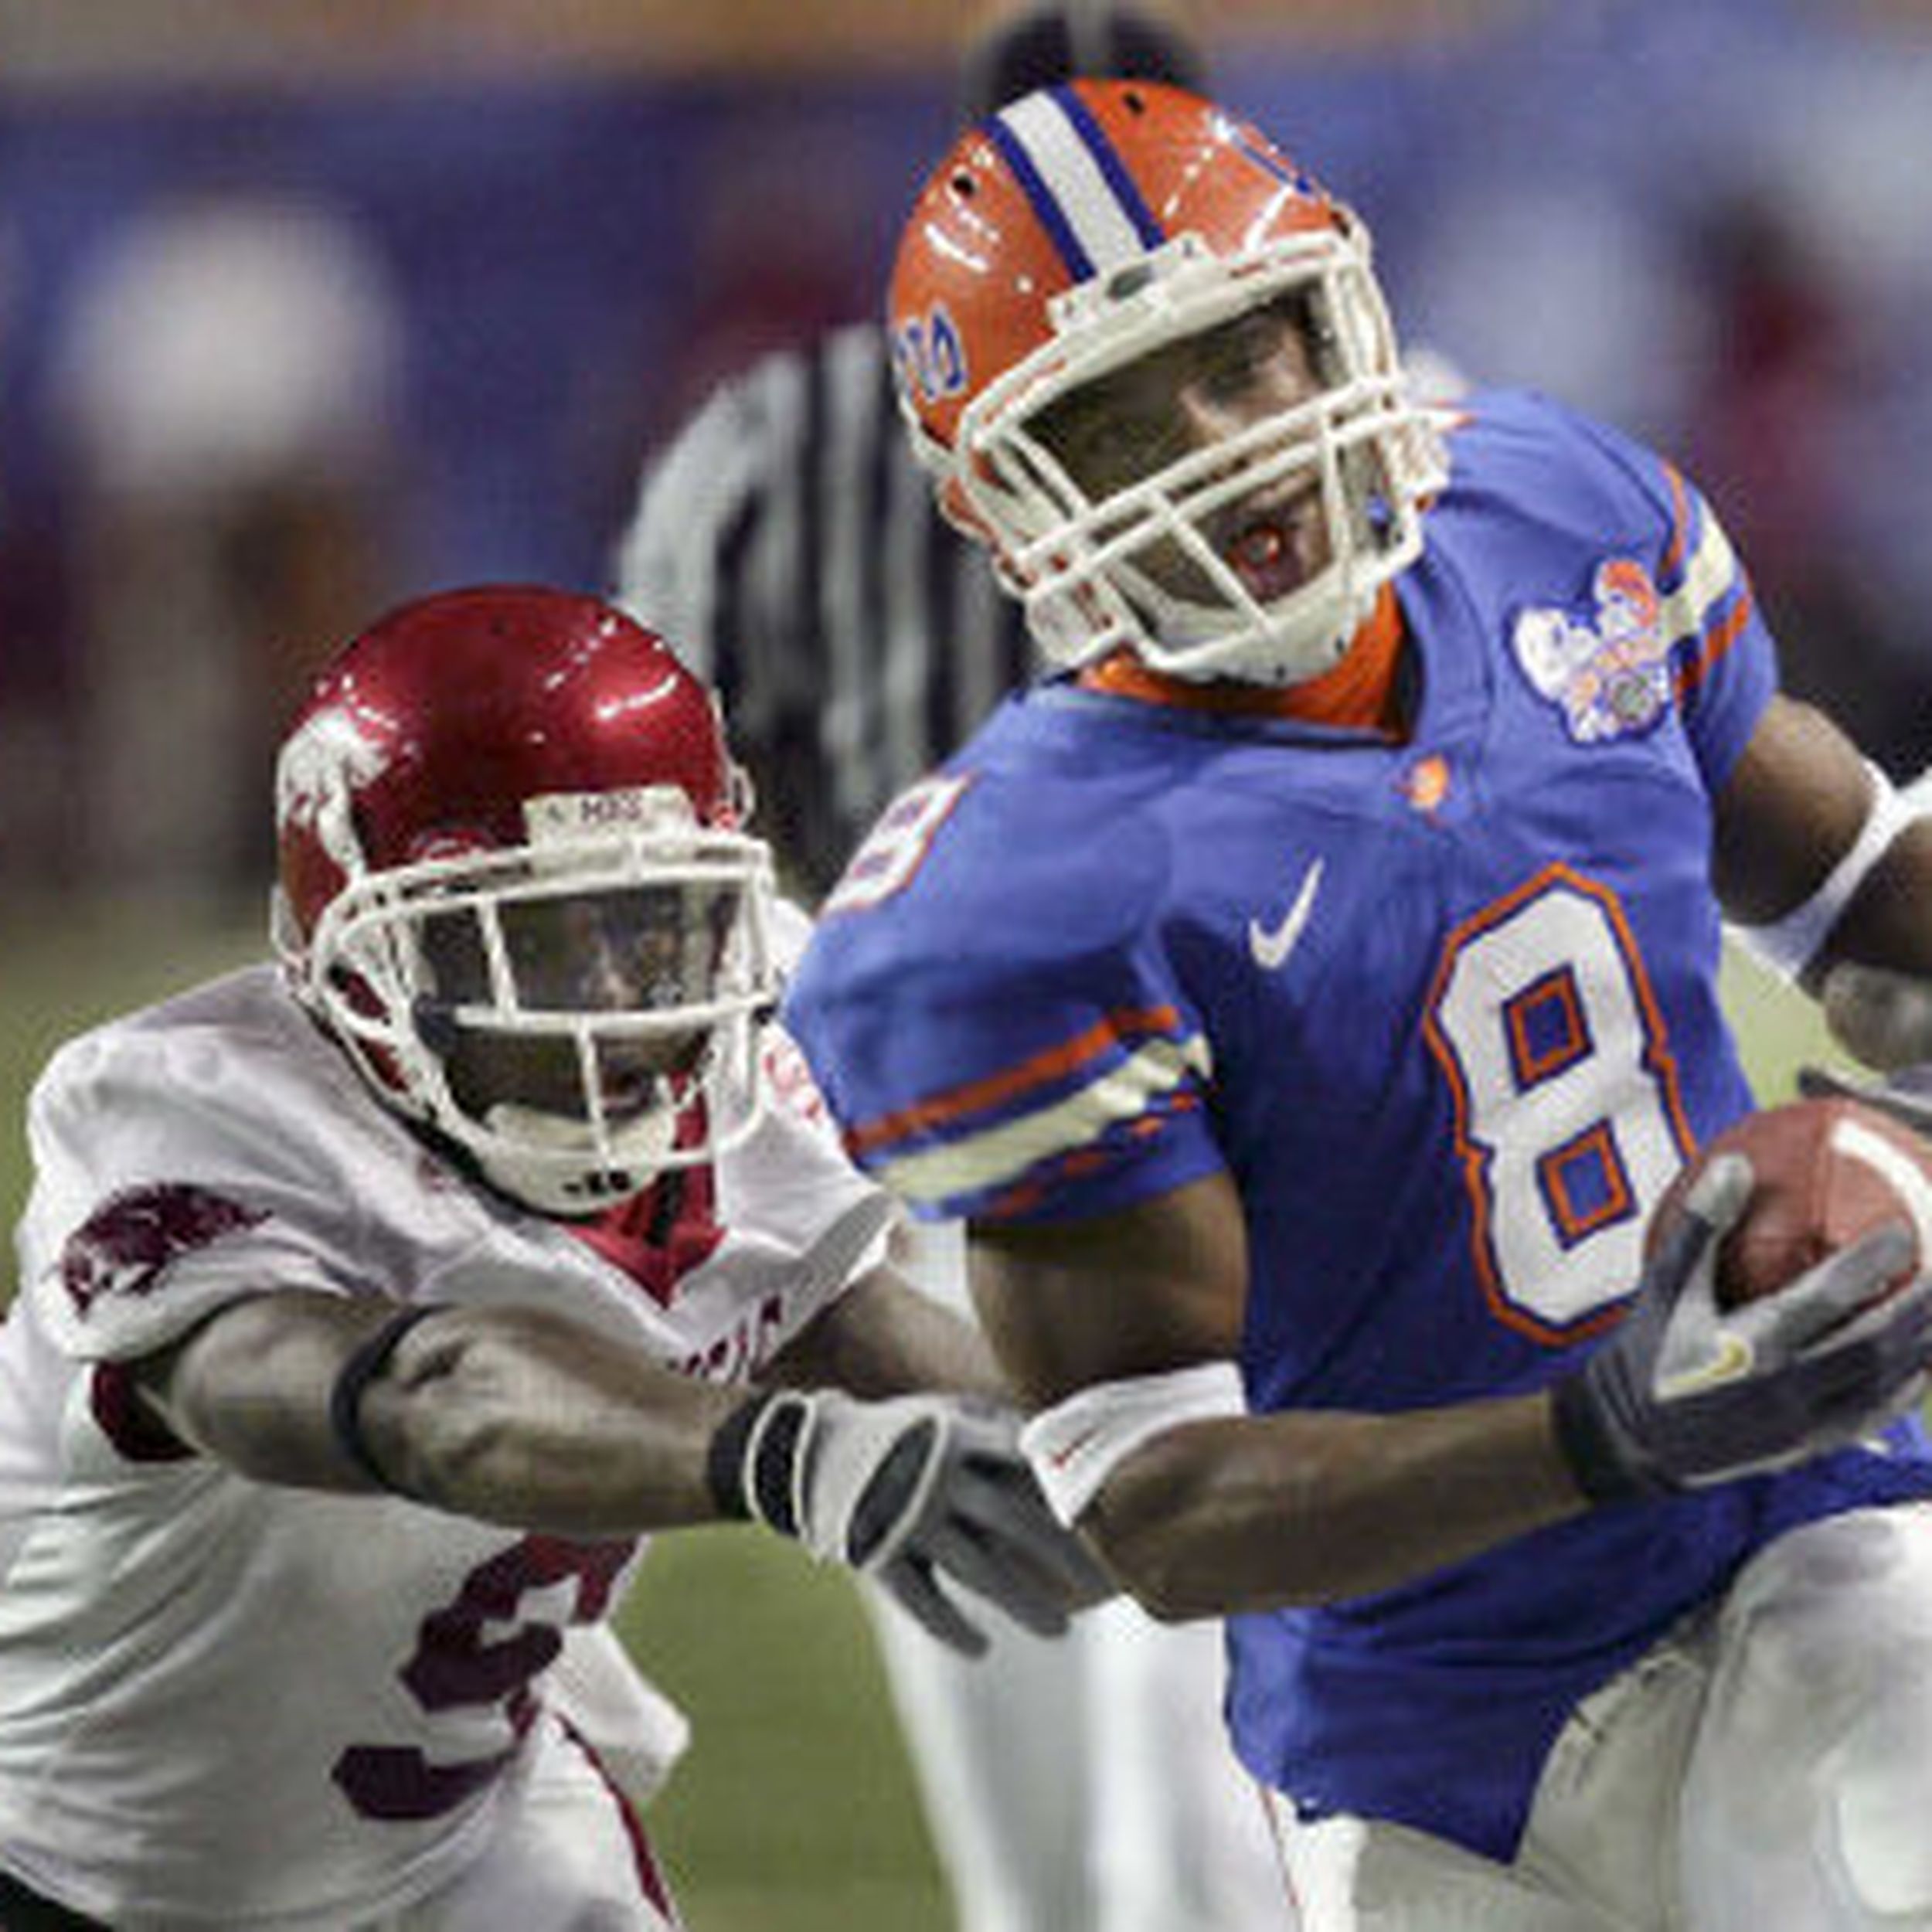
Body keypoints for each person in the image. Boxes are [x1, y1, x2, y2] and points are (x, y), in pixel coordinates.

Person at [784, 77, 1932, 1932]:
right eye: (1114, 417)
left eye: (1242, 357)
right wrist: (1600, 1429)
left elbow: (1861, 885)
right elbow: (1158, 1500)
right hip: (1416, 1743)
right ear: (1005, 494)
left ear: (1338, 315)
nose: (1223, 447)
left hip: (1799, 1544)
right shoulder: (1018, 904)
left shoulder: (1556, 520)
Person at [0, 585, 1103, 1929]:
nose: (625, 1013)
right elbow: (430, 1399)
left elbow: (825, 1308)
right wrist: (790, 1458)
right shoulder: (193, 1121)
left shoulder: (744, 1068)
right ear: (362, 962)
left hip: (464, 1841)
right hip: (71, 1871)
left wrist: (1106, 1437)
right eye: (541, 945)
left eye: (654, 931)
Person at [614, 12, 1292, 1932]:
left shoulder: (781, 438)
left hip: (1178, 1143)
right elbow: (668, 831)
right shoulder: (784, 450)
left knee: (1181, 1792)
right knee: (1072, 1802)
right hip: (944, 1149)